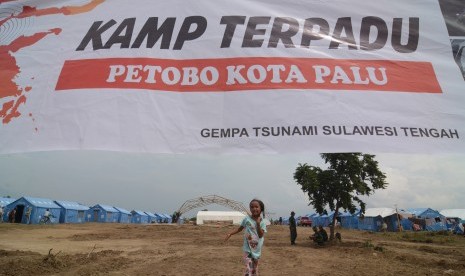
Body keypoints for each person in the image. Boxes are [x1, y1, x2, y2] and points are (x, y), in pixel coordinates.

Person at [225, 199, 267, 276]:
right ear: (250, 209)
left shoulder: (263, 222)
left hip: (257, 249)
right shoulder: (246, 219)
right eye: (252, 207)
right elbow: (239, 229)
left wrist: (258, 223)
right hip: (247, 248)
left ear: (261, 209)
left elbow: (261, 235)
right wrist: (230, 233)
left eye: (256, 207)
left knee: (254, 268)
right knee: (249, 267)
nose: (254, 208)